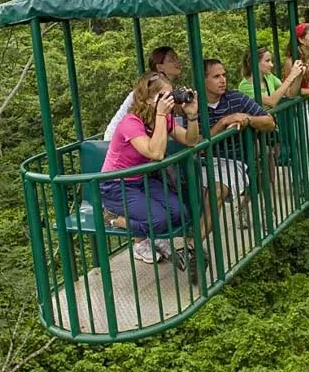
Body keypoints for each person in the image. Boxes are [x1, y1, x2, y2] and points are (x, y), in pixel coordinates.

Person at [100, 71, 201, 263]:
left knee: (180, 213)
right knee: (159, 220)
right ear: (147, 100)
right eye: (163, 96)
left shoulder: (163, 118)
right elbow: (155, 153)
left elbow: (191, 140)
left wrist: (192, 115)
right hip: (116, 185)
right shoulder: (131, 122)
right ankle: (115, 218)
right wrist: (161, 115)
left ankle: (155, 236)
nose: (169, 101)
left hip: (141, 179)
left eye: (170, 95)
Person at [201, 59, 276, 225]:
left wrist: (247, 119)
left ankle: (192, 246)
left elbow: (270, 122)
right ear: (203, 79)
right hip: (205, 163)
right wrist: (223, 123)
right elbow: (197, 146)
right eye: (216, 76)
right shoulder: (194, 106)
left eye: (224, 75)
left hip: (234, 161)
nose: (223, 80)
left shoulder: (236, 98)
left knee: (218, 192)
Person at [104, 46, 183, 141]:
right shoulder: (148, 90)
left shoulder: (166, 88)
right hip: (118, 138)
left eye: (176, 58)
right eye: (172, 59)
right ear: (160, 67)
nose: (177, 62)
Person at [239, 46, 305, 108]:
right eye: (267, 61)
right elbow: (271, 102)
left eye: (271, 61)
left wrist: (299, 76)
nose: (272, 65)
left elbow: (290, 94)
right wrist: (291, 75)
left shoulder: (269, 77)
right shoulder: (245, 86)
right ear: (255, 62)